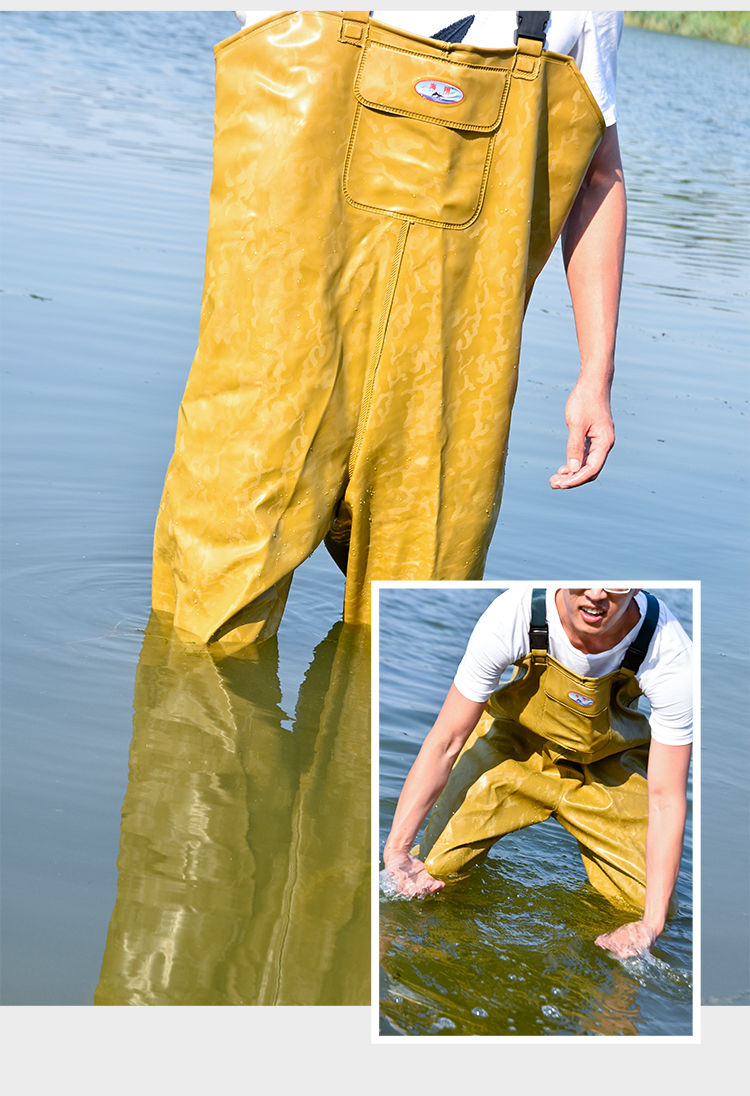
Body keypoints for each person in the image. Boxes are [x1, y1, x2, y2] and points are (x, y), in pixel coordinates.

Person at [152, 12, 626, 648]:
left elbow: (597, 175)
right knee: (198, 637)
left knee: (401, 639)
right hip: (271, 361)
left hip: (450, 386)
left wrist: (596, 375)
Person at [382, 587, 693, 959]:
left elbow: (665, 800)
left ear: (638, 586)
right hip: (513, 750)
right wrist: (396, 851)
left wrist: (651, 924)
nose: (595, 594)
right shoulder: (515, 613)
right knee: (426, 873)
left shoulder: (669, 650)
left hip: (611, 769)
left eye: (616, 584)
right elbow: (446, 741)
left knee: (650, 910)